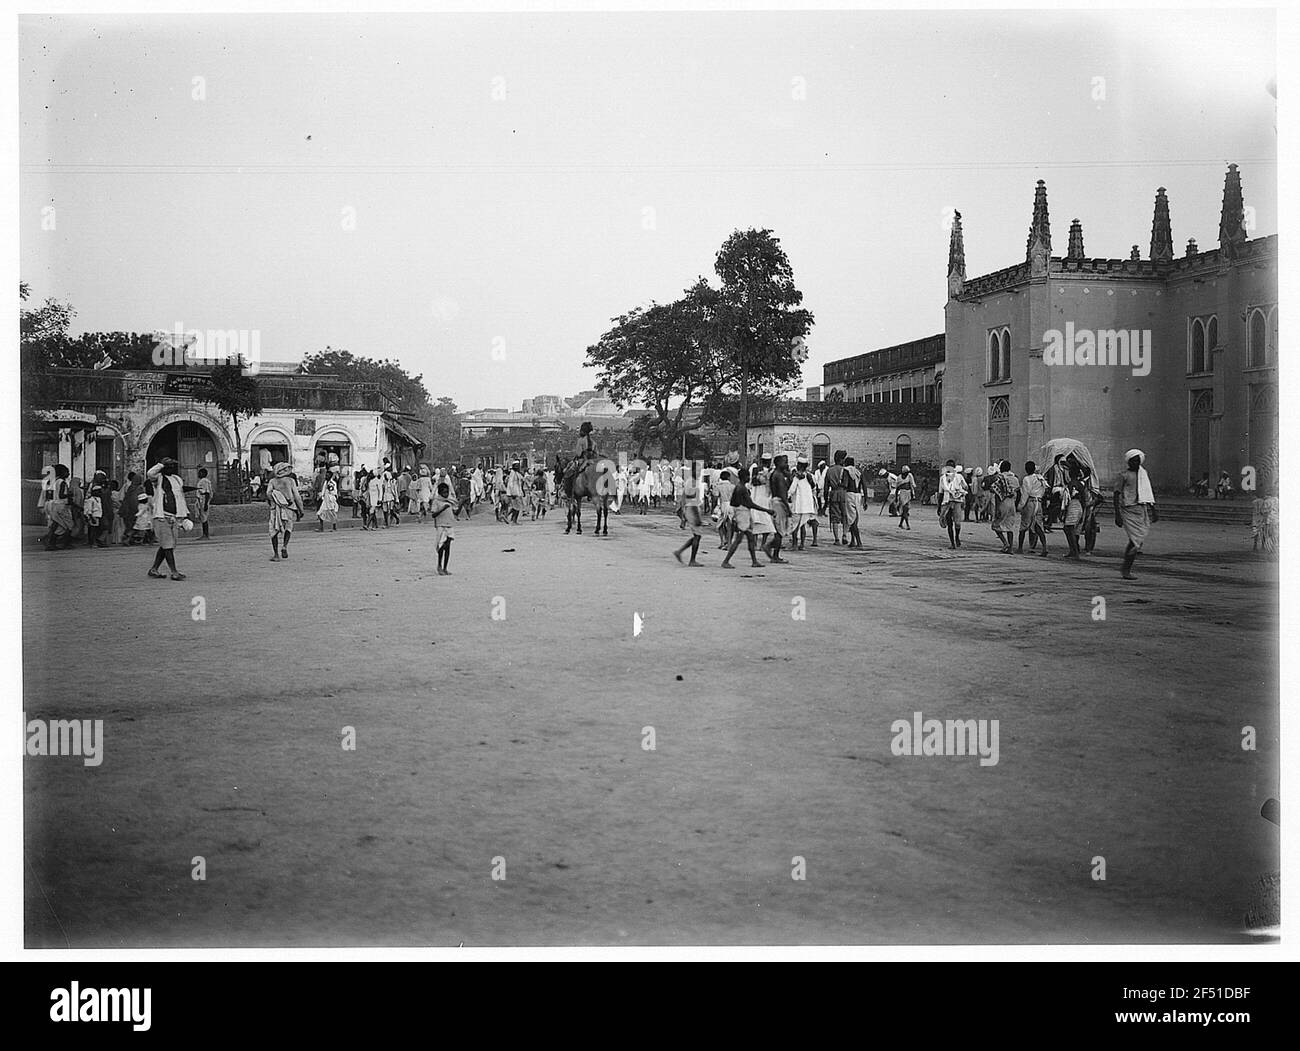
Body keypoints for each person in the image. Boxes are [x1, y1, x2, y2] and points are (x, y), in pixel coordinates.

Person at [720, 464, 774, 569]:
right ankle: (726, 561)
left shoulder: (739, 487)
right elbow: (750, 504)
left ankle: (754, 561)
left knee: (750, 538)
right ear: (744, 477)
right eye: (747, 476)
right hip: (742, 515)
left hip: (742, 514)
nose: (749, 478)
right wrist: (767, 510)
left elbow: (734, 502)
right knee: (739, 540)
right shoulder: (742, 489)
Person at [1114, 449, 1157, 579]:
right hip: (1128, 510)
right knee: (1134, 541)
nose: (1136, 463)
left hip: (1141, 510)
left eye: (1138, 460)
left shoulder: (1143, 475)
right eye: (1133, 460)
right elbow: (1116, 495)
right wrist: (1117, 515)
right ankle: (1126, 569)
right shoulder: (1123, 475)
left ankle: (1126, 567)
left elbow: (1147, 493)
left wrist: (1153, 511)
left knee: (1139, 540)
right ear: (1129, 462)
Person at [146, 457, 189, 580]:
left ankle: (154, 569)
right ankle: (174, 572)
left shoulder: (177, 479)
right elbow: (150, 473)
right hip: (161, 517)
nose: (171, 468)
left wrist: (185, 514)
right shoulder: (158, 479)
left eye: (172, 466)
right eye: (168, 466)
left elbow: (180, 498)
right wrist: (161, 464)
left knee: (167, 545)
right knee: (168, 545)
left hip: (174, 517)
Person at [266, 461, 304, 561]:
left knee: (274, 530)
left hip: (275, 509)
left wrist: (276, 499)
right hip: (289, 508)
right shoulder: (290, 481)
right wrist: (301, 509)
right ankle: (284, 546)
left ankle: (276, 555)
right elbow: (297, 497)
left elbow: (268, 494)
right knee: (288, 528)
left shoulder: (272, 481)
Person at [672, 462, 707, 567]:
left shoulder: (691, 481)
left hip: (690, 508)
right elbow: (691, 500)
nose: (699, 472)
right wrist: (695, 516)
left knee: (697, 536)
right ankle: (692, 560)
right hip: (692, 509)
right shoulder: (692, 482)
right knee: (697, 536)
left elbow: (683, 497)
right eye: (698, 470)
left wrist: (683, 512)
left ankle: (680, 552)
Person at [1017, 461, 1048, 556]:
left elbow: (1025, 493)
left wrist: (1020, 506)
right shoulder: (1040, 478)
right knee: (1038, 525)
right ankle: (1044, 547)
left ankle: (1020, 548)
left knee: (1024, 525)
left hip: (1030, 502)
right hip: (1039, 502)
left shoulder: (1027, 479)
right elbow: (1045, 489)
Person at [789, 456, 820, 549]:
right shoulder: (810, 476)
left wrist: (786, 497)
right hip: (807, 505)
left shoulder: (797, 477)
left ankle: (794, 544)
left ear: (799, 465)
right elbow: (814, 488)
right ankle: (801, 544)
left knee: (795, 525)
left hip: (798, 505)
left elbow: (792, 489)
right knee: (803, 525)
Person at [766, 454, 792, 562]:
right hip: (779, 503)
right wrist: (788, 508)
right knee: (780, 531)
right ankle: (773, 551)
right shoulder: (778, 475)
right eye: (784, 462)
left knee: (778, 530)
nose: (786, 464)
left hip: (775, 501)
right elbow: (782, 493)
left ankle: (774, 553)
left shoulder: (776, 474)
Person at [989, 460, 1019, 553]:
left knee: (996, 525)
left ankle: (1005, 543)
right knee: (1009, 526)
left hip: (1003, 502)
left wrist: (997, 507)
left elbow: (997, 494)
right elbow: (1018, 492)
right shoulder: (1015, 478)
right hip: (1012, 503)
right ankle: (1010, 548)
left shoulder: (999, 478)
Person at [822, 450, 851, 546]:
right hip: (843, 494)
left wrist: (826, 499)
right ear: (841, 459)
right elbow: (847, 484)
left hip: (833, 494)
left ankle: (836, 539)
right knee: (845, 515)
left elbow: (826, 486)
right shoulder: (845, 470)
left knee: (834, 517)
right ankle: (844, 535)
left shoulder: (829, 470)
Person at [937, 459, 966, 549]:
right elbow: (940, 493)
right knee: (950, 523)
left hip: (956, 501)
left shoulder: (959, 477)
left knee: (957, 523)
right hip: (947, 502)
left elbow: (965, 487)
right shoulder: (943, 478)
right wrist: (939, 506)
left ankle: (956, 537)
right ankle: (953, 542)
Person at [430, 482, 457, 575]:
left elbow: (456, 512)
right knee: (441, 547)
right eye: (444, 492)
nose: (446, 494)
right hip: (441, 526)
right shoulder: (436, 501)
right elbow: (433, 514)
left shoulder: (450, 501)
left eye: (447, 492)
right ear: (440, 492)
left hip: (450, 525)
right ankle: (439, 566)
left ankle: (445, 567)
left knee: (448, 547)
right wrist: (442, 509)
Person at [842, 456, 864, 548]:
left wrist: (839, 484)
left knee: (851, 520)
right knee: (855, 518)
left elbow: (845, 484)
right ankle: (853, 541)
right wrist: (865, 499)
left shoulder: (846, 471)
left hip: (850, 495)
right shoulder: (858, 472)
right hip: (858, 496)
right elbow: (864, 485)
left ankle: (859, 542)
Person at [192, 467, 213, 539]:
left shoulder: (204, 481)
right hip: (201, 500)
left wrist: (205, 504)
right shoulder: (202, 481)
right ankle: (205, 534)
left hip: (203, 500)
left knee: (204, 517)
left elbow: (207, 493)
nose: (198, 474)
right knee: (203, 517)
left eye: (199, 473)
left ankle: (206, 534)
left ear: (203, 474)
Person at [895, 465, 915, 530]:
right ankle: (907, 525)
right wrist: (896, 497)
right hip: (902, 494)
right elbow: (897, 488)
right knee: (905, 509)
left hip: (908, 493)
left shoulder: (910, 476)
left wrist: (913, 493)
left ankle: (900, 524)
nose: (907, 473)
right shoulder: (899, 478)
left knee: (905, 510)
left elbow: (911, 485)